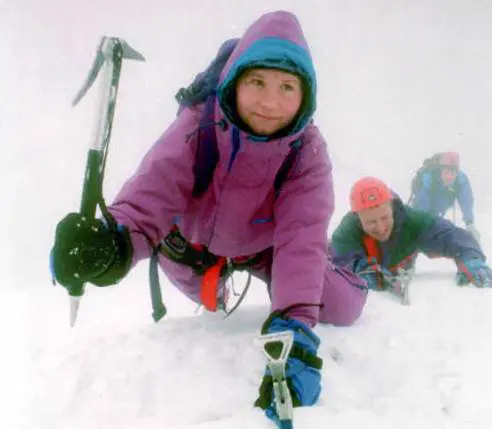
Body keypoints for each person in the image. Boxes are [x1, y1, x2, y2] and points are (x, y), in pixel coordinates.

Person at [50, 10, 368, 423]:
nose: (270, 102)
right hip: (187, 247)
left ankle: (355, 272)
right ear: (234, 81)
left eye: (287, 86)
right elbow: (151, 195)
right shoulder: (197, 124)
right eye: (257, 82)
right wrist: (112, 246)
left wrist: (296, 333)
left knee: (343, 307)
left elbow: (300, 238)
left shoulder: (306, 152)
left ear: (305, 95)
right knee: (209, 307)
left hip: (263, 249)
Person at [330, 177, 492, 291]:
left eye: (384, 217)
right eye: (371, 222)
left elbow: (450, 234)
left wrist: (470, 257)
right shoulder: (347, 230)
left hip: (400, 267)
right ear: (358, 219)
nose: (381, 227)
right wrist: (367, 271)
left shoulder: (411, 220)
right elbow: (340, 260)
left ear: (392, 209)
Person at [409, 151, 480, 243]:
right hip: (422, 208)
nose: (449, 177)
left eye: (453, 173)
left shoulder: (461, 180)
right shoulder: (428, 180)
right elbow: (421, 205)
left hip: (440, 206)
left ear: (457, 172)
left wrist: (469, 222)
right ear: (440, 171)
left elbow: (466, 201)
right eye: (446, 172)